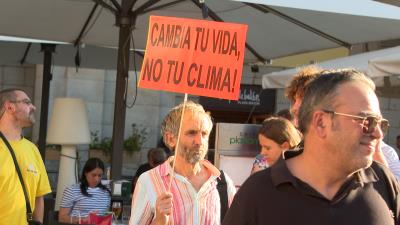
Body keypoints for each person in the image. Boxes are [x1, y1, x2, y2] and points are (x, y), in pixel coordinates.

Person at [223, 69, 400, 225]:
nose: (378, 134)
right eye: (367, 121)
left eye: (379, 123)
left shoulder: (383, 181)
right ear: (321, 123)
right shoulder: (258, 192)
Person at [130, 101, 236, 225]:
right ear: (170, 139)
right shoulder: (148, 181)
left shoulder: (222, 183)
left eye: (204, 134)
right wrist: (159, 222)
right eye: (192, 133)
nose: (199, 141)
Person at [285, 66, 400, 180]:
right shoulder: (284, 173)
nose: (297, 123)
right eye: (296, 114)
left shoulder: (381, 154)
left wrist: (377, 154)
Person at [0, 88, 52, 225]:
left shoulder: (33, 149)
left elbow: (38, 196)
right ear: (9, 106)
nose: (33, 107)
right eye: (27, 102)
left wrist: (38, 222)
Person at [59, 157, 111, 223]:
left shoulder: (106, 192)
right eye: (93, 175)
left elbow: (106, 215)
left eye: (100, 175)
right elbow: (62, 217)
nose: (97, 179)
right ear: (86, 173)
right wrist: (82, 220)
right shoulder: (72, 190)